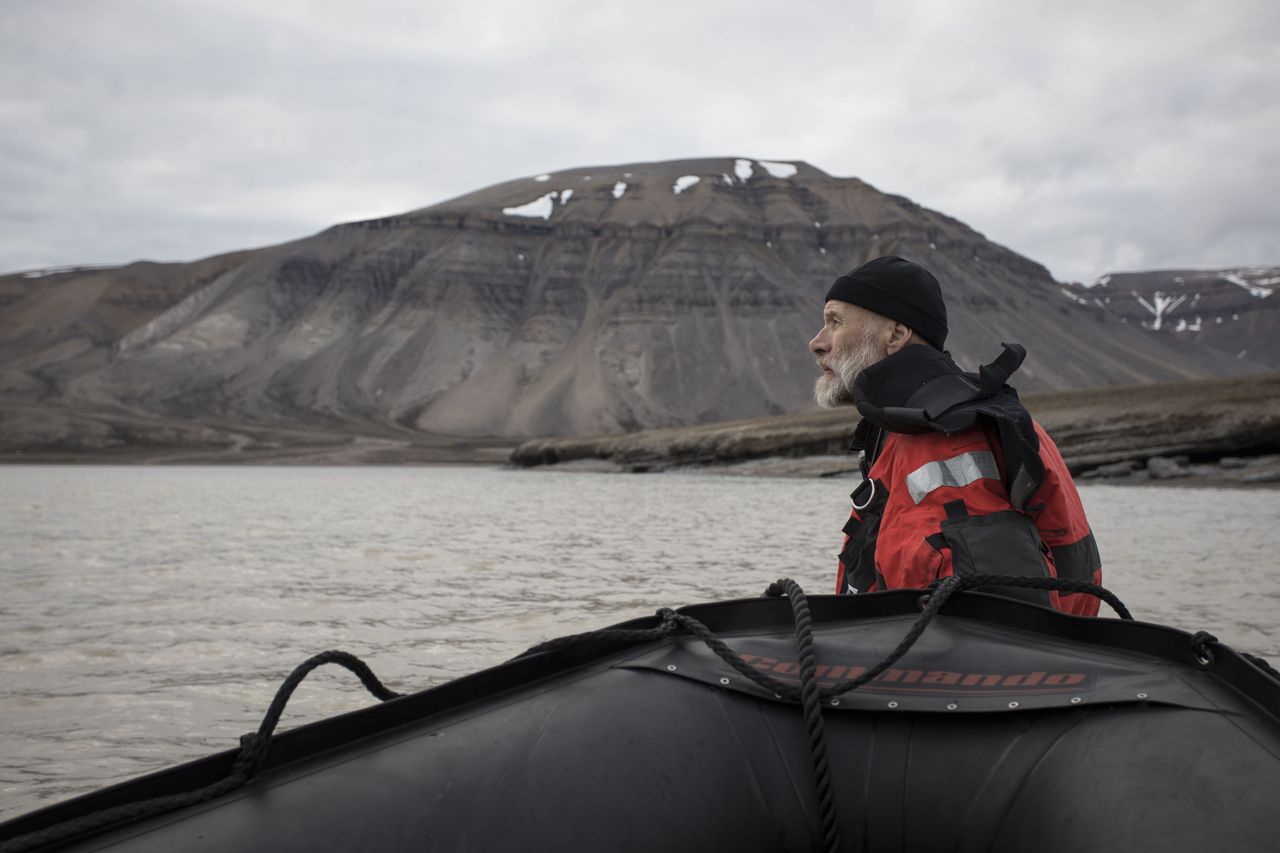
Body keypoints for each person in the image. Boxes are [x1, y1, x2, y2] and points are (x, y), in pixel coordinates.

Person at [809, 255, 1101, 617]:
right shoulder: (910, 425)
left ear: (896, 335)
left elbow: (991, 626)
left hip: (975, 665)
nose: (817, 343)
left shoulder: (946, 434)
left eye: (834, 322)